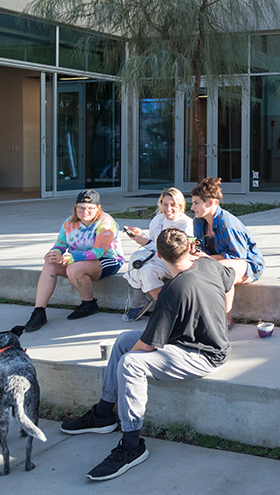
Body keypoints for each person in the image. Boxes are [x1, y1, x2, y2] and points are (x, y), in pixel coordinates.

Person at [60, 228, 234, 481]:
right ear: (188, 248)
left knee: (131, 363)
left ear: (160, 258)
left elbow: (146, 346)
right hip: (188, 341)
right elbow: (233, 275)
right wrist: (227, 313)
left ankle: (132, 445)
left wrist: (122, 365)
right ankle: (103, 414)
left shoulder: (172, 291)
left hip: (203, 354)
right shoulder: (207, 264)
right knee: (122, 340)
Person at [24, 189, 124, 332]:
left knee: (73, 268)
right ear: (75, 207)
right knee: (50, 264)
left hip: (107, 260)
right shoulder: (69, 222)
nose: (85, 211)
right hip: (77, 261)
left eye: (90, 208)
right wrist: (53, 253)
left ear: (98, 208)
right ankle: (39, 311)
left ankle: (89, 303)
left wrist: (70, 259)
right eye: (81, 208)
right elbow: (60, 244)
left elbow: (98, 252)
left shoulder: (106, 222)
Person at [190, 177, 264, 325]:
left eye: (196, 203)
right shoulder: (198, 221)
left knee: (223, 270)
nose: (192, 208)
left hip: (247, 266)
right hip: (213, 262)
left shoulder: (227, 223)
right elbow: (200, 248)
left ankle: (226, 320)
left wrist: (208, 258)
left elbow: (239, 256)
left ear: (210, 202)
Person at [122, 187, 194, 321]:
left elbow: (178, 252)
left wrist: (145, 242)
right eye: (165, 204)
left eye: (173, 205)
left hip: (175, 261)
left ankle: (148, 304)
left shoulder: (186, 223)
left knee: (145, 269)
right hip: (160, 258)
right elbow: (154, 245)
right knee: (137, 262)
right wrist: (140, 236)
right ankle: (165, 308)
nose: (168, 208)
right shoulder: (157, 219)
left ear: (180, 206)